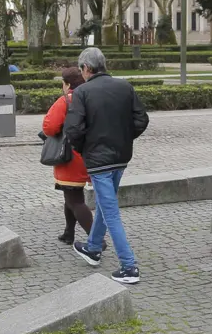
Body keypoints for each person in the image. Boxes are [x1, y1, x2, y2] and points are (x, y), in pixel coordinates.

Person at [64, 47, 149, 284]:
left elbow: (73, 129)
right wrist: (123, 138)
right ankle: (92, 248)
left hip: (99, 160)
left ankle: (129, 266)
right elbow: (141, 119)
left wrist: (84, 148)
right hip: (121, 157)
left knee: (110, 211)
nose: (81, 73)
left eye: (81, 69)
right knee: (104, 204)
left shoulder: (82, 93)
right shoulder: (124, 86)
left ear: (87, 68)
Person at [42, 67, 94, 245]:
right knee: (70, 196)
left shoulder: (66, 100)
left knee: (75, 200)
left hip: (71, 157)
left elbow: (49, 127)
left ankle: (96, 239)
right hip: (92, 153)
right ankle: (69, 232)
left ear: (67, 84)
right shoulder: (91, 96)